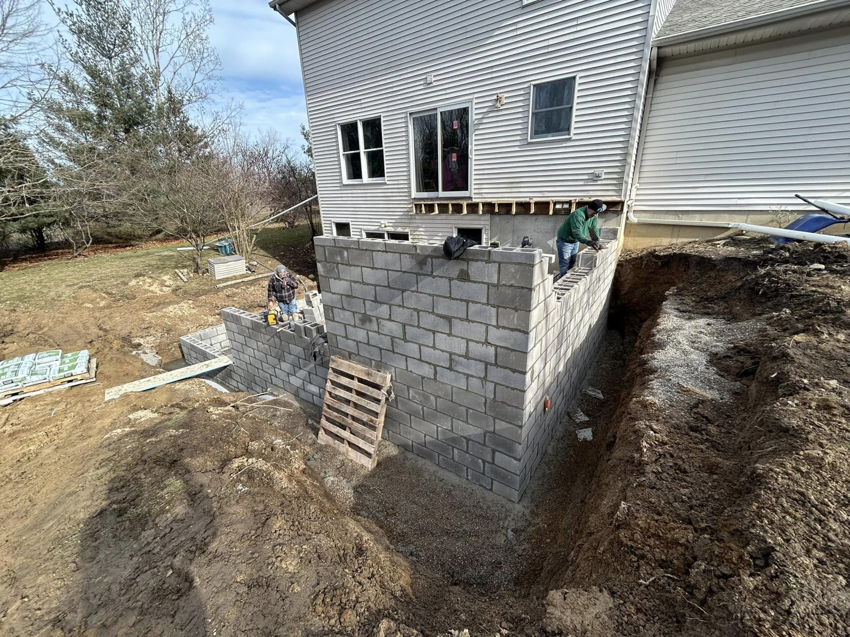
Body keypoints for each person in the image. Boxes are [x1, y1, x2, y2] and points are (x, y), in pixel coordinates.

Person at [555, 199, 607, 279]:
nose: (595, 215)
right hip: (565, 241)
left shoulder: (594, 214)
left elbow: (594, 228)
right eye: (594, 213)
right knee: (565, 263)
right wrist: (588, 242)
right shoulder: (578, 215)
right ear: (589, 209)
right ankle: (561, 280)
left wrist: (597, 242)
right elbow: (577, 233)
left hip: (575, 241)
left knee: (572, 262)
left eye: (597, 213)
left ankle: (567, 278)